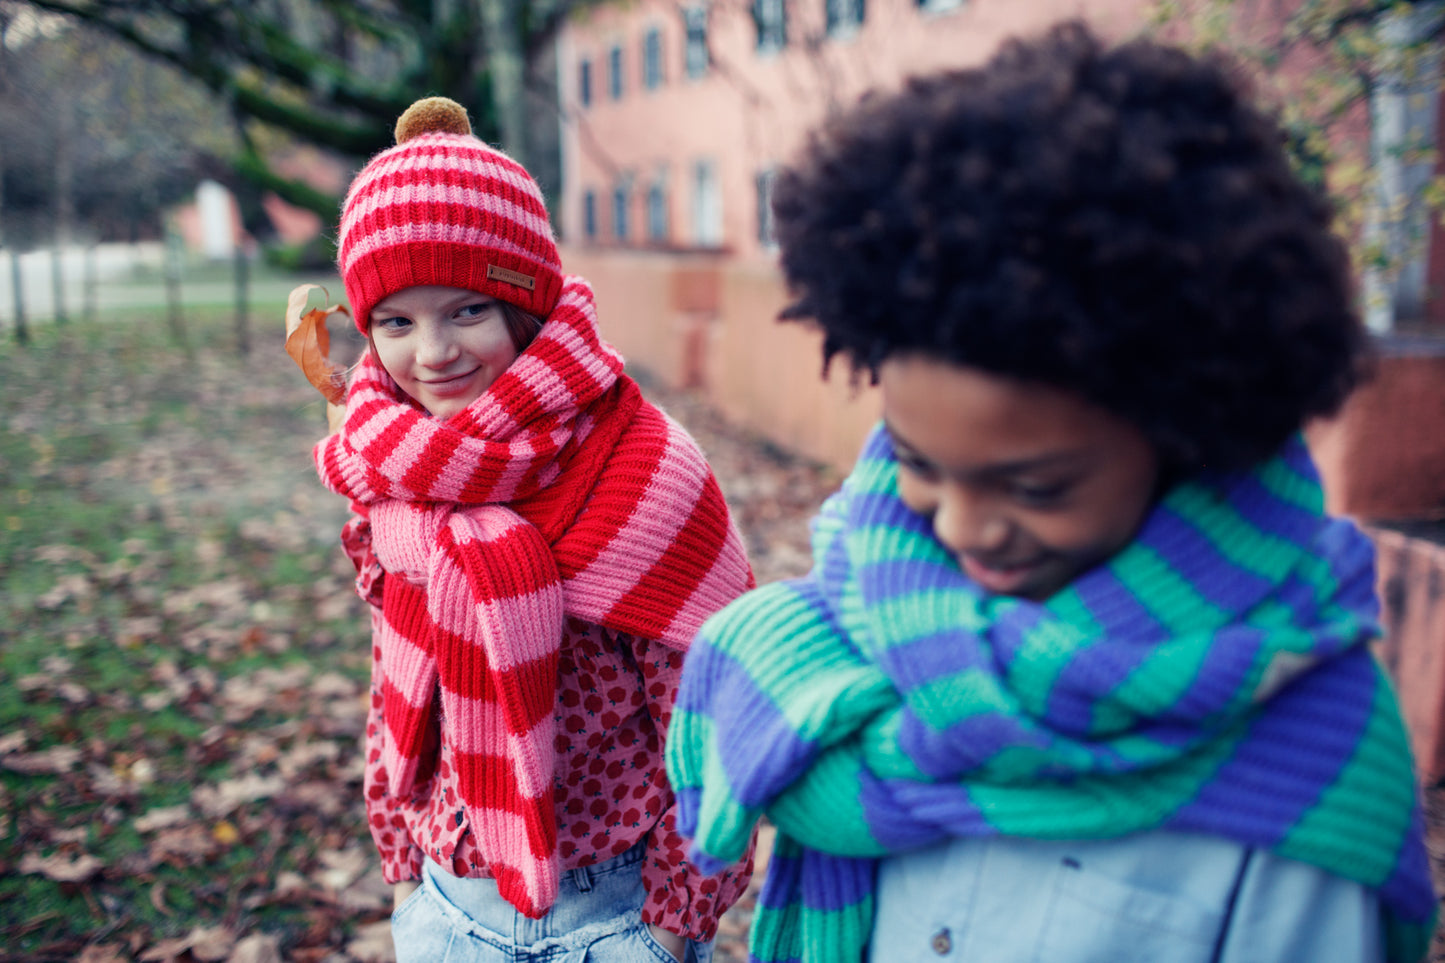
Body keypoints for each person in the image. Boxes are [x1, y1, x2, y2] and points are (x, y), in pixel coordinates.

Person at [664, 22, 1438, 963]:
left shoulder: (1313, 743)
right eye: (915, 459)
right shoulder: (839, 640)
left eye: (1034, 484)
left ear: (1188, 430)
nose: (959, 523)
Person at [310, 96, 756, 963]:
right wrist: (404, 872)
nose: (431, 352)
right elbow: (394, 675)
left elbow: (711, 705)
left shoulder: (642, 468)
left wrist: (672, 920)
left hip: (617, 910)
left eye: (466, 310)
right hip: (446, 903)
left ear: (527, 302)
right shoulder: (395, 474)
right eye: (396, 322)